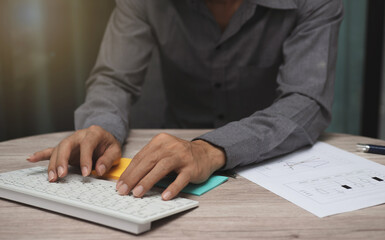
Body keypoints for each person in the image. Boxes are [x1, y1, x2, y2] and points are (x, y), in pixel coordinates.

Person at [27, 0, 343, 201]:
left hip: (271, 165)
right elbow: (115, 78)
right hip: (174, 164)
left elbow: (306, 101)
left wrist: (210, 148)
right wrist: (102, 125)